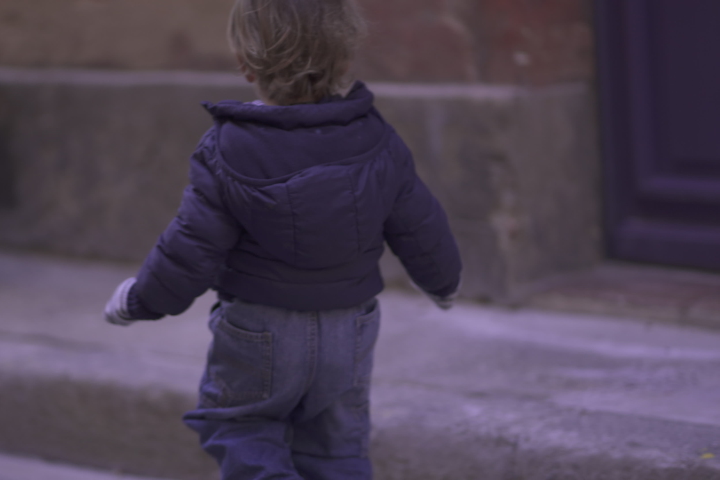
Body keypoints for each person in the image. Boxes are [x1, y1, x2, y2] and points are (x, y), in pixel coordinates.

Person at [103, 0, 462, 478]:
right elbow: (421, 224)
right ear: (345, 59)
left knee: (240, 426)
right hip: (350, 329)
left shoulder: (228, 148)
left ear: (245, 65)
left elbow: (190, 248)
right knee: (336, 450)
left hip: (261, 330)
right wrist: (443, 283)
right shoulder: (377, 137)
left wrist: (139, 300)